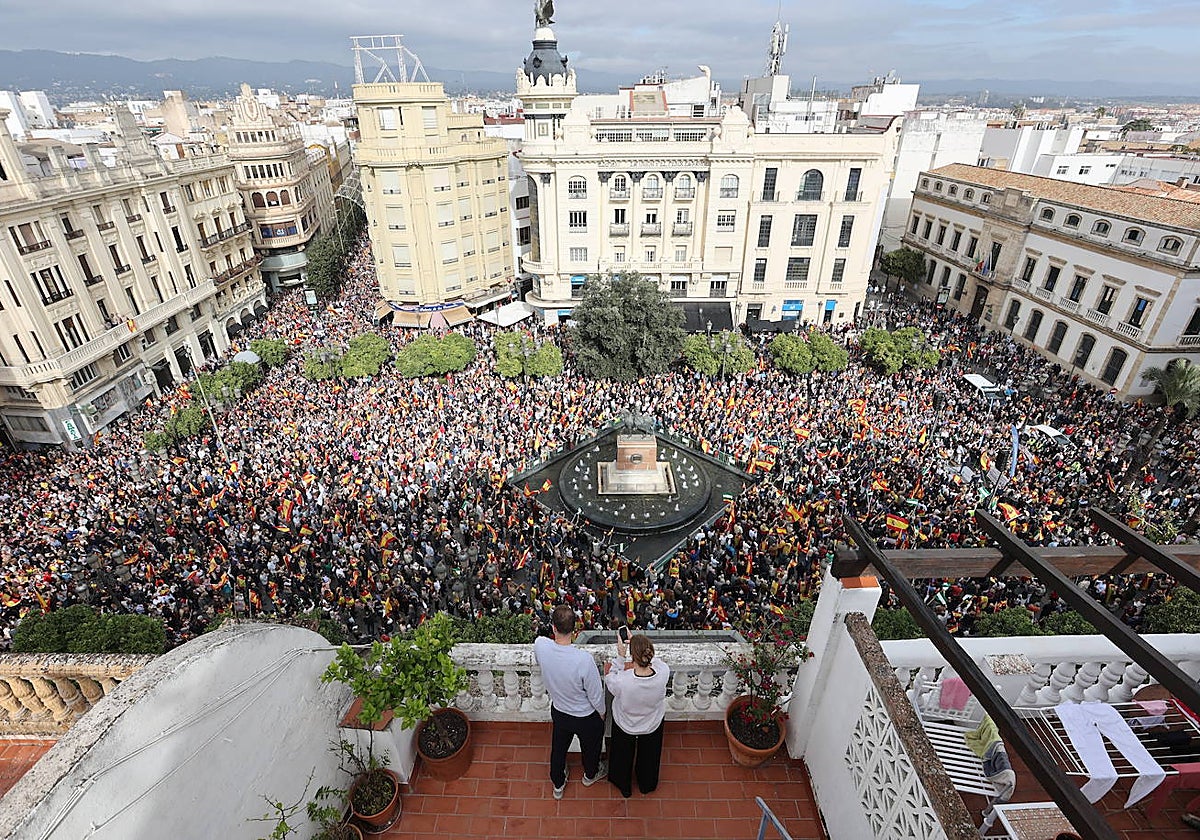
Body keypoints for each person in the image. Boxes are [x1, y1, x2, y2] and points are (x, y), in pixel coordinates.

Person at [534, 605, 606, 799]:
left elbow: (540, 640)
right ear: (575, 630)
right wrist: (601, 712)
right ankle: (590, 775)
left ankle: (558, 783)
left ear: (553, 628)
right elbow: (595, 694)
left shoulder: (541, 647)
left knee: (558, 748)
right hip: (584, 716)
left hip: (560, 710)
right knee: (591, 749)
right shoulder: (584, 660)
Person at [604, 630, 670, 797]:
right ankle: (647, 784)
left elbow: (610, 677)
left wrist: (620, 656)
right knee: (650, 757)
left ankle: (623, 785)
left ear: (632, 657)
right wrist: (639, 645)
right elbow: (657, 661)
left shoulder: (623, 681)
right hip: (652, 722)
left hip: (626, 723)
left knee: (622, 756)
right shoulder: (663, 673)